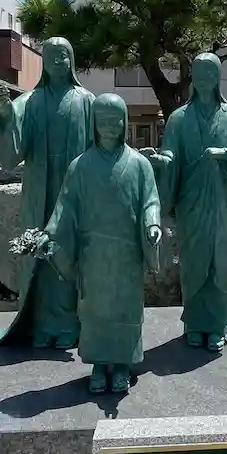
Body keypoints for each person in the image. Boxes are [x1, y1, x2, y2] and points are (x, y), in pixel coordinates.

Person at [37, 94, 161, 394]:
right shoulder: (80, 166)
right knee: (95, 309)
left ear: (124, 122)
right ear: (94, 124)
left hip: (126, 254)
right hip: (93, 255)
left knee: (125, 309)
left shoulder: (140, 165)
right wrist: (50, 234)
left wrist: (152, 224)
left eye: (114, 119)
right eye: (102, 120)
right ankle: (98, 363)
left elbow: (150, 200)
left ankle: (122, 364)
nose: (109, 125)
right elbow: (65, 206)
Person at [0, 38, 95, 350]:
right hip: (40, 189)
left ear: (72, 60)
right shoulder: (31, 101)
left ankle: (70, 324)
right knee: (40, 255)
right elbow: (12, 151)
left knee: (69, 253)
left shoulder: (86, 101)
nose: (58, 61)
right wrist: (5, 115)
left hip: (74, 189)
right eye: (51, 56)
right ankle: (42, 325)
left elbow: (103, 143)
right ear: (43, 62)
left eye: (63, 55)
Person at [143, 54, 227, 352]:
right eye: (200, 72)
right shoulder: (179, 118)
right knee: (192, 262)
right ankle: (194, 324)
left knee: (220, 261)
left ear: (218, 77)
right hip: (191, 201)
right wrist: (161, 161)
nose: (205, 78)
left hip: (220, 202)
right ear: (193, 76)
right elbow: (170, 154)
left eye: (210, 72)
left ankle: (217, 325)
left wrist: (225, 155)